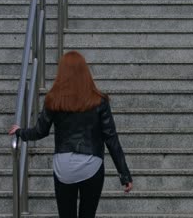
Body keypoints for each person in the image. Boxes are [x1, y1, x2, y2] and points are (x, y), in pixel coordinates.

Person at [9, 51, 133, 218]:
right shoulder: (99, 100)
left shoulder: (53, 99)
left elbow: (40, 131)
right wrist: (124, 175)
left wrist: (20, 132)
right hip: (92, 164)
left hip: (64, 166)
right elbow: (111, 138)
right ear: (85, 72)